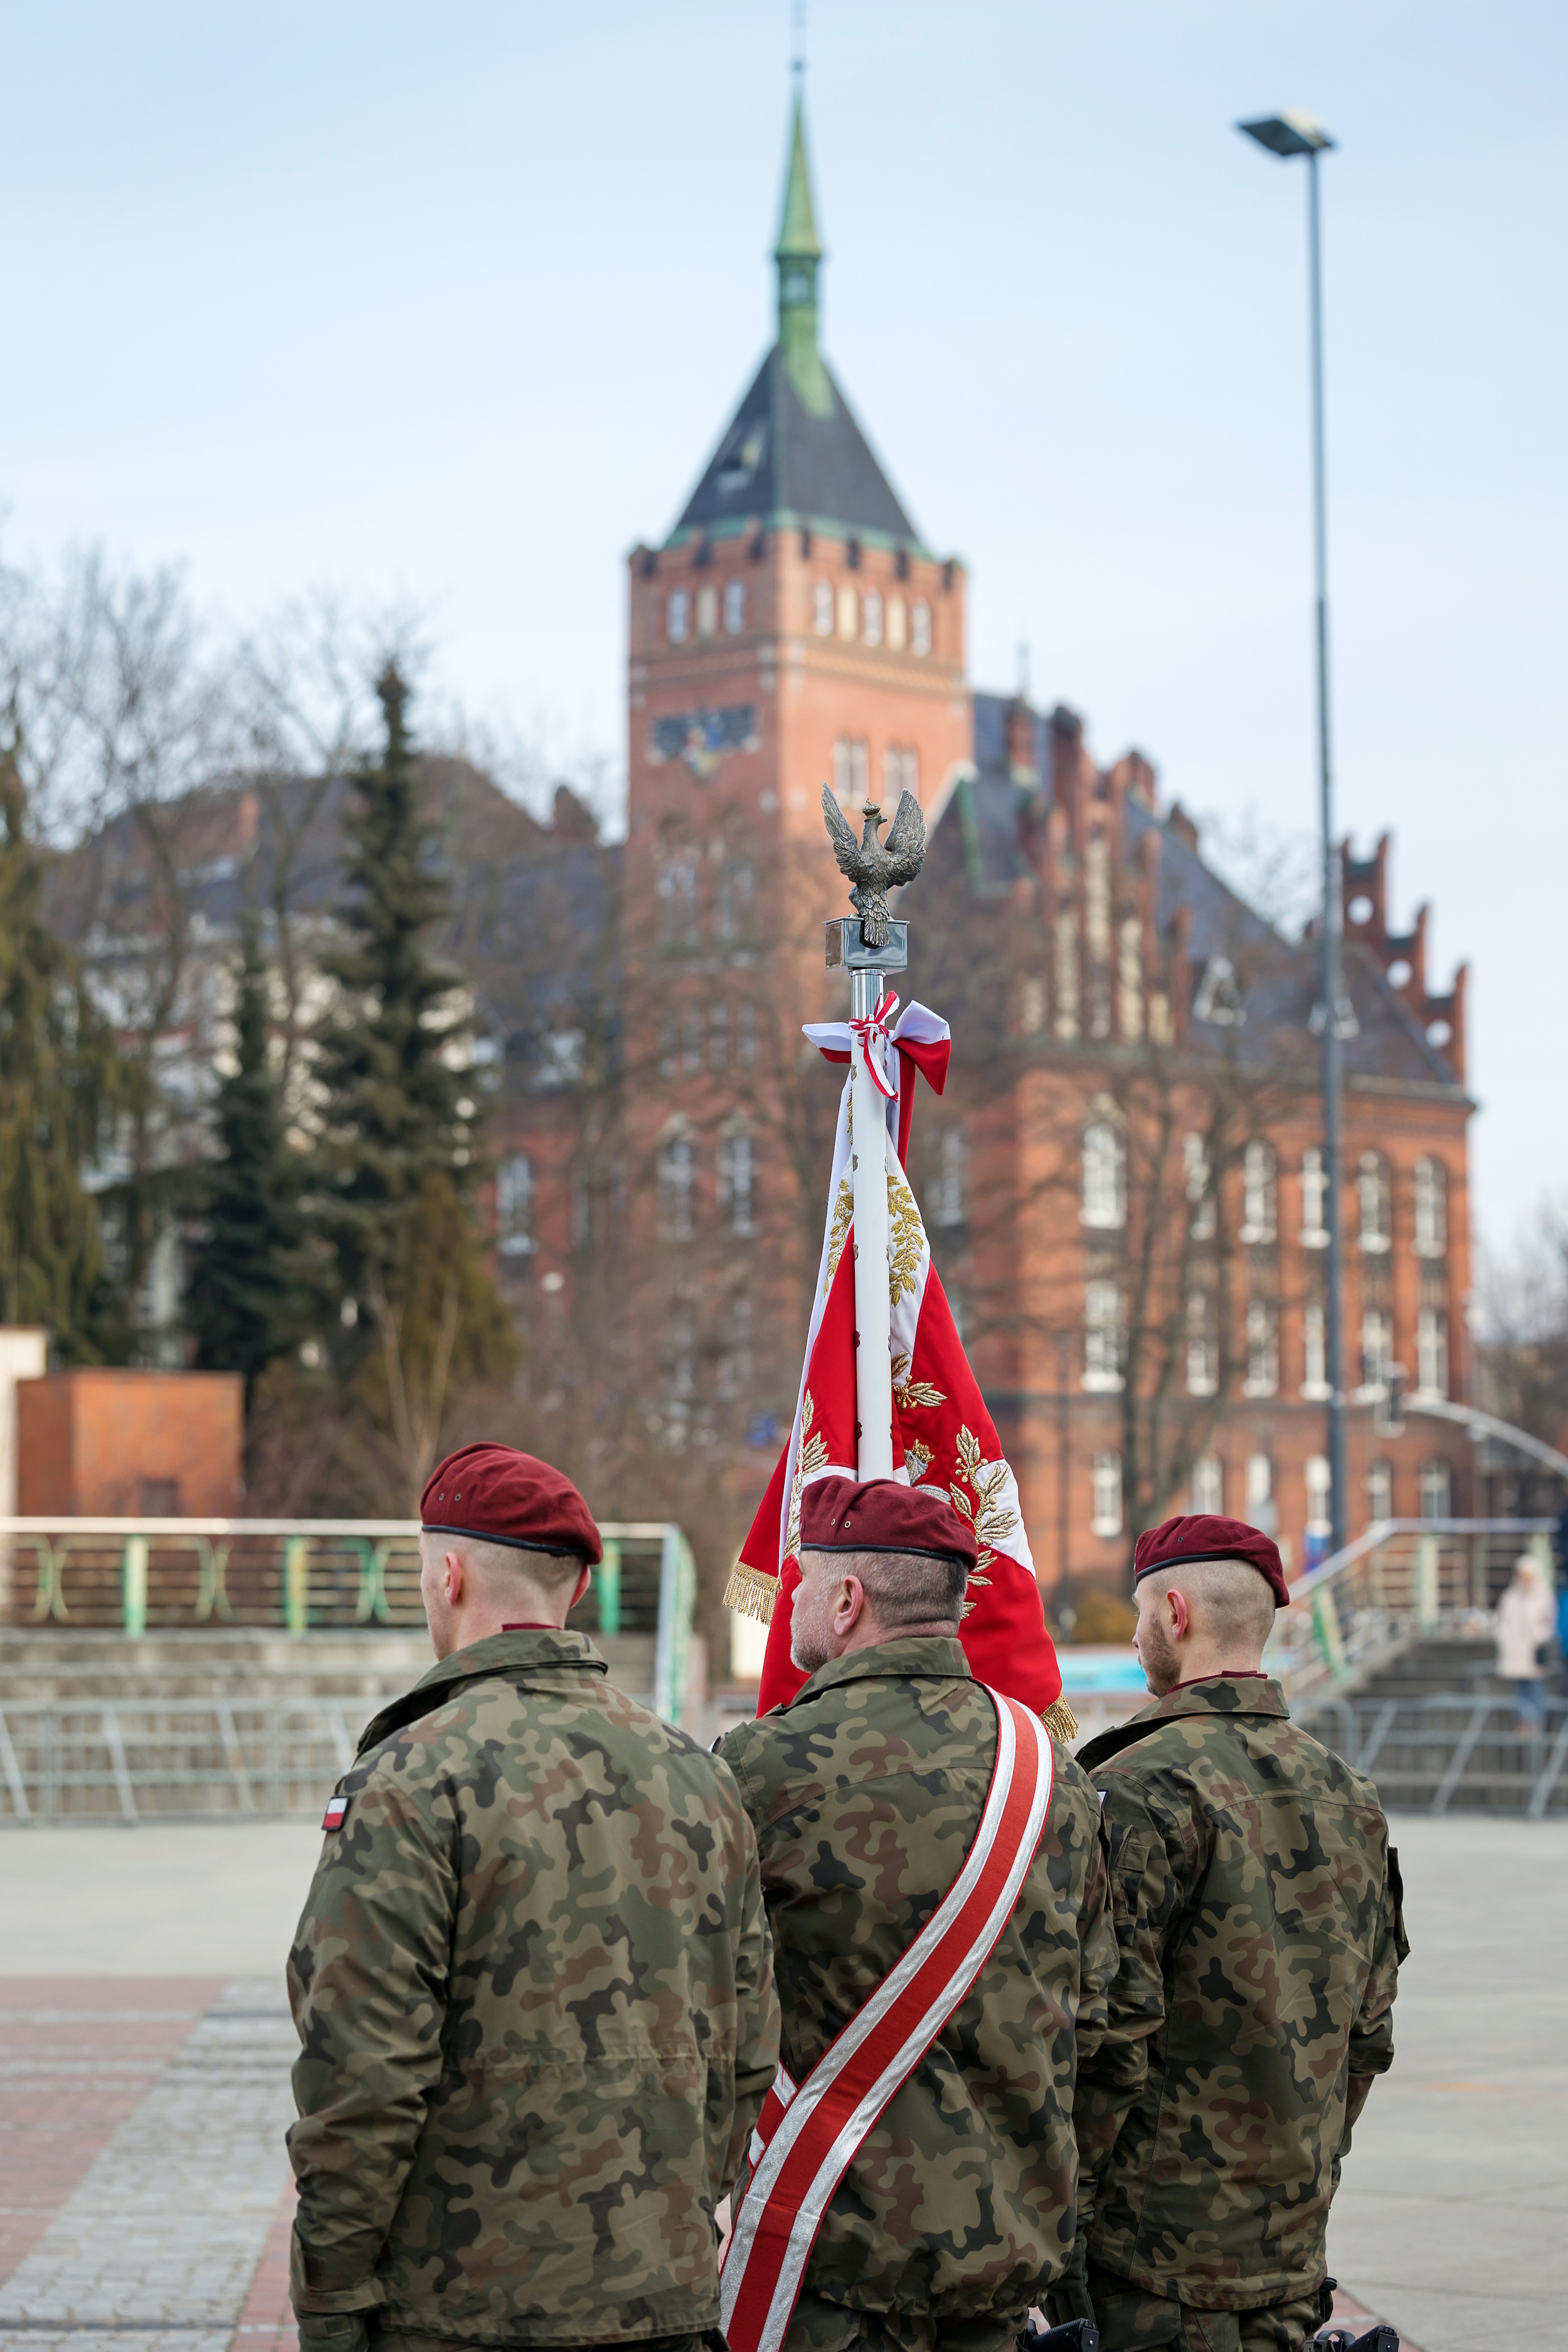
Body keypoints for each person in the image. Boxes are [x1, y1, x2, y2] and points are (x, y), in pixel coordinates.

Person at [287, 1442, 780, 2352]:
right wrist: (661, 2213)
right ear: (577, 1590)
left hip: (461, 2310)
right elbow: (747, 2049)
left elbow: (362, 2074)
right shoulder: (698, 1776)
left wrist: (332, 2295)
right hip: (659, 2298)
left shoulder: (407, 1777)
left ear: (446, 1574)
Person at [716, 1474, 1118, 2352]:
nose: (789, 1602)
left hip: (823, 2260)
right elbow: (1102, 2027)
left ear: (849, 1599)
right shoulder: (1054, 1774)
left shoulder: (761, 1766)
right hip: (1002, 2255)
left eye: (803, 1583)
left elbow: (713, 2015)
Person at [1063, 1513, 1407, 2352]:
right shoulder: (1349, 1792)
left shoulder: (1134, 1785)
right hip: (1288, 2237)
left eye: (1143, 1612)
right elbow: (1368, 2033)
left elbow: (1106, 2037)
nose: (1142, 1632)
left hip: (1148, 2260)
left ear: (1175, 1612)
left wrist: (1064, 2228)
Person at [1496, 1551, 1555, 1733]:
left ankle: (1536, 1725)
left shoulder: (1544, 1595)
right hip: (1517, 1655)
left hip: (1536, 1653)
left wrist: (1539, 1641)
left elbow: (1549, 1623)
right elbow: (1504, 1626)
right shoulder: (1511, 1597)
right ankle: (1523, 1725)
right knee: (1521, 1693)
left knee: (1537, 1691)